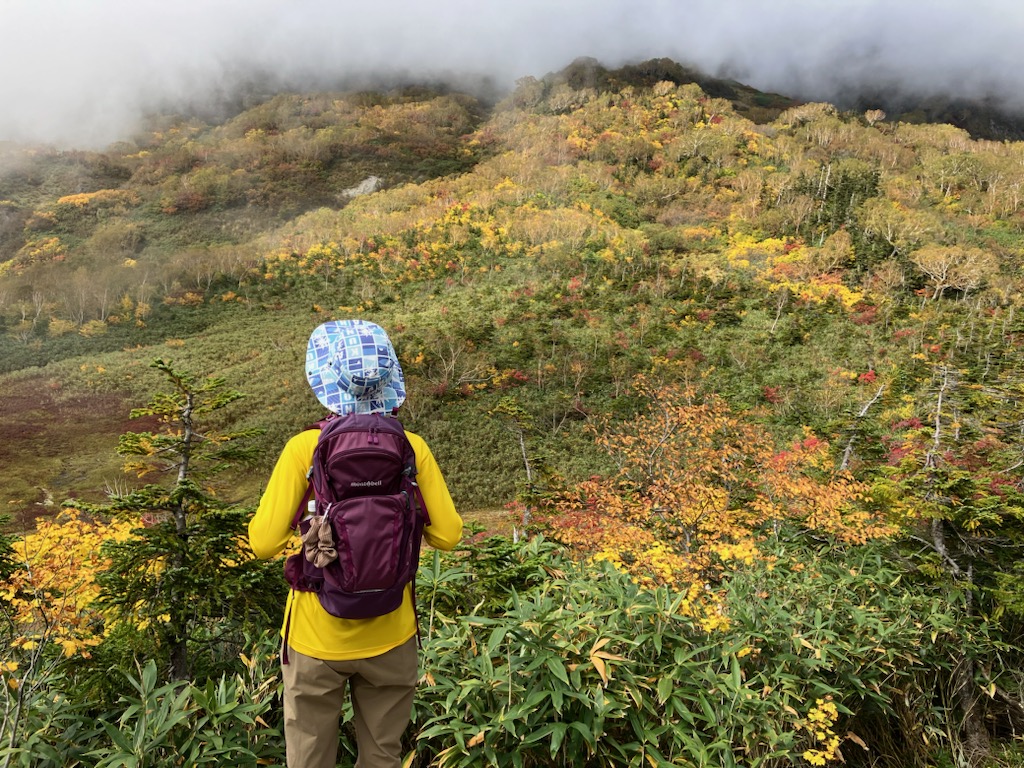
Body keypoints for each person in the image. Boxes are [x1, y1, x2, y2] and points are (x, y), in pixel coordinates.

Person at [249, 319, 463, 768]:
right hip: (392, 632)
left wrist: (313, 532)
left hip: (315, 636)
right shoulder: (411, 447)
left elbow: (263, 543)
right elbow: (448, 535)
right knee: (383, 756)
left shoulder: (304, 449)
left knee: (309, 759)